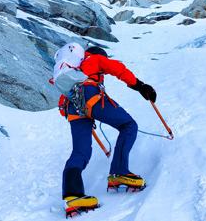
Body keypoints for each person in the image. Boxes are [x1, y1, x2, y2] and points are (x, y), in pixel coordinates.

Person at [52, 42, 157, 217]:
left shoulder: (73, 74)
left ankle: (73, 195)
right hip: (90, 96)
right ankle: (119, 172)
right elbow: (117, 69)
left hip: (73, 107)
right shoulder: (95, 58)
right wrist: (141, 86)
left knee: (80, 153)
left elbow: (62, 104)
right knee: (128, 125)